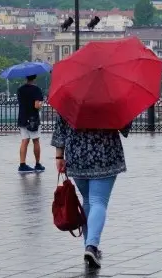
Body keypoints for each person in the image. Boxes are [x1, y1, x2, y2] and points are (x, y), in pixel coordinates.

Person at [52, 115, 130, 269]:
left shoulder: (71, 95)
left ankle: (89, 246)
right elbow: (124, 126)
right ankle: (91, 246)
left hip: (77, 154)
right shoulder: (110, 97)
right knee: (98, 201)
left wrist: (59, 155)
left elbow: (60, 127)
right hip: (105, 154)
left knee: (88, 200)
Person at [17, 75, 45, 173]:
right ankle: (37, 164)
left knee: (24, 141)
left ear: (26, 78)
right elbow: (36, 105)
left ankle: (22, 164)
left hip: (22, 117)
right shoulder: (36, 89)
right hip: (33, 119)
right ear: (35, 78)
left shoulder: (20, 89)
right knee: (36, 141)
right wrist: (41, 104)